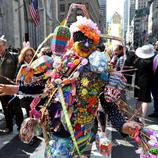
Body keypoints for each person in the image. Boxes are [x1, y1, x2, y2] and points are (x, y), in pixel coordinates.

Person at [0, 17, 140, 157]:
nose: (85, 44)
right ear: (73, 41)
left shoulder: (100, 70)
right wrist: (16, 89)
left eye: (89, 41)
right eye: (80, 39)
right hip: (58, 129)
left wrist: (122, 125)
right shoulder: (63, 63)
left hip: (82, 130)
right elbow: (45, 88)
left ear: (95, 43)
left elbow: (108, 104)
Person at [0, 35, 23, 134]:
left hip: (12, 87)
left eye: (0, 46)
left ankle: (21, 127)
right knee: (5, 109)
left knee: (17, 108)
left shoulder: (14, 56)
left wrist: (16, 80)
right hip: (2, 88)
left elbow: (19, 68)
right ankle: (9, 127)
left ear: (5, 46)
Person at [134, 44, 155, 123]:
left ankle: (136, 116)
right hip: (146, 82)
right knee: (144, 100)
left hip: (138, 81)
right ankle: (142, 118)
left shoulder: (138, 61)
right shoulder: (150, 62)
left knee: (138, 99)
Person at [16, 47, 36, 117]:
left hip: (36, 92)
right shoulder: (21, 66)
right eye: (27, 55)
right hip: (26, 94)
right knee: (29, 113)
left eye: (31, 55)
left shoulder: (36, 64)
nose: (29, 57)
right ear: (23, 56)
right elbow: (18, 80)